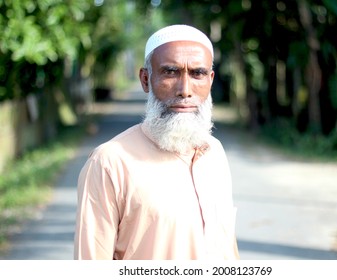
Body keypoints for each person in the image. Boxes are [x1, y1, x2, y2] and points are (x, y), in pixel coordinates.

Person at [74, 24, 239, 260]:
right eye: (170, 72)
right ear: (145, 79)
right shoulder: (109, 163)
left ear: (210, 81)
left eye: (197, 73)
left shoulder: (215, 153)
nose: (185, 90)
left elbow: (227, 250)